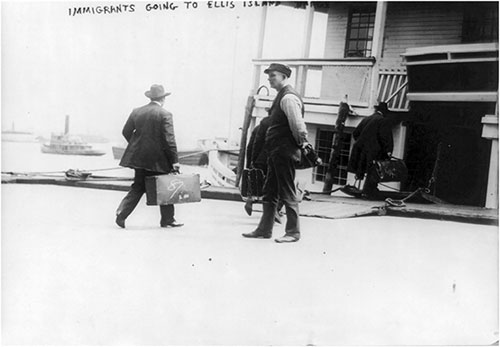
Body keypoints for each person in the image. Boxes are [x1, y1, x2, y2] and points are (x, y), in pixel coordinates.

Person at [242, 63, 308, 243]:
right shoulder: (281, 96)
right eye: (269, 76)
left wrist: (300, 145)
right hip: (275, 152)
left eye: (273, 76)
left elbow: (298, 126)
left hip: (284, 152)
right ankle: (264, 229)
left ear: (284, 77)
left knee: (287, 192)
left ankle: (293, 232)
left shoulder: (288, 98)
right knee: (269, 192)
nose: (270, 79)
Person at [115, 84, 183, 229]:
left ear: (151, 97)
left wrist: (137, 146)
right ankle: (168, 220)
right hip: (159, 160)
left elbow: (126, 131)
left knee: (138, 187)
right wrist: (174, 161)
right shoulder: (165, 114)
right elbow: (169, 140)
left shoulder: (137, 111)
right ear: (163, 98)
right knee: (166, 186)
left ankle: (122, 213)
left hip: (139, 159)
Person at [347, 102, 394, 198]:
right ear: (384, 112)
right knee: (375, 169)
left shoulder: (366, 119)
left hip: (361, 150)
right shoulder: (382, 120)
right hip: (374, 151)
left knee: (362, 169)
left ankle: (364, 189)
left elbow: (355, 133)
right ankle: (369, 190)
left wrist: (362, 142)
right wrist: (388, 151)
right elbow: (384, 137)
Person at [243, 114, 284, 223]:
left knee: (257, 183)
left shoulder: (260, 126)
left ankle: (250, 200)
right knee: (277, 186)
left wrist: (251, 163)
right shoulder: (281, 125)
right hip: (274, 160)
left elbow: (251, 146)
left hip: (260, 160)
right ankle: (276, 209)